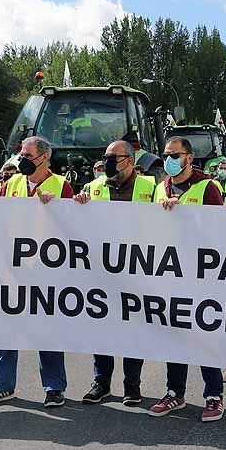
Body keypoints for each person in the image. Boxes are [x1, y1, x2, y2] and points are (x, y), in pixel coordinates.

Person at [0, 136, 72, 409]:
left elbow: (74, 228)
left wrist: (57, 209)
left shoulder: (62, 186)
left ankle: (54, 387)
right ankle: (2, 385)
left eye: (28, 155)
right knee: (6, 326)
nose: (22, 159)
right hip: (11, 267)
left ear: (44, 157)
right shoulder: (10, 184)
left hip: (46, 268)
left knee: (47, 328)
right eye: (21, 155)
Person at [152, 135, 226, 422]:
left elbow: (219, 231)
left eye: (175, 154)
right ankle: (175, 392)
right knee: (174, 337)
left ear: (189, 158)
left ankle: (214, 395)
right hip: (169, 274)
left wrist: (184, 216)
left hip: (201, 275)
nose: (169, 159)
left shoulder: (207, 187)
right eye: (166, 154)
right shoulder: (161, 188)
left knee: (204, 336)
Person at [74, 140, 155, 408]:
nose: (108, 161)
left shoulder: (151, 188)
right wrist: (78, 204)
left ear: (130, 161)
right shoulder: (94, 188)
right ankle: (102, 384)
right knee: (102, 330)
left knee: (134, 331)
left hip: (137, 271)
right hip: (102, 273)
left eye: (113, 157)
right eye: (105, 157)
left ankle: (132, 385)